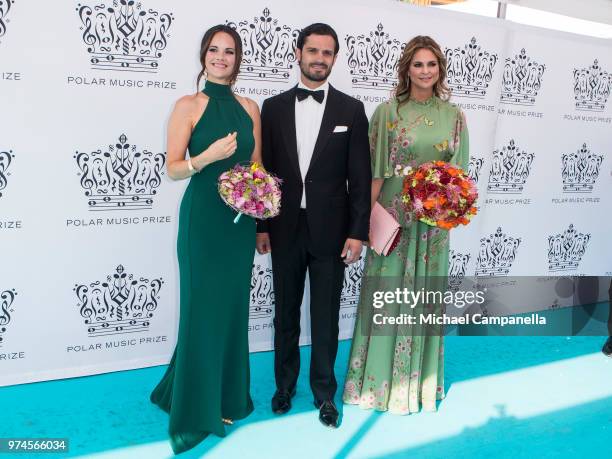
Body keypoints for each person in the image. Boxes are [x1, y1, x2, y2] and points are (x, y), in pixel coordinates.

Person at [342, 35, 469, 414]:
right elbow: (375, 172)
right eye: (418, 64)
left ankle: (419, 385)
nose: (425, 71)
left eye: (432, 64)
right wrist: (364, 220)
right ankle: (377, 386)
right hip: (394, 217)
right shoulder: (387, 112)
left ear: (440, 69)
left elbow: (459, 173)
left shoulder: (455, 116)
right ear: (407, 69)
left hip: (432, 224)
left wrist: (445, 208)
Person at [150, 25, 261, 454]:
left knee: (232, 309)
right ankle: (195, 410)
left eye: (229, 51)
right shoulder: (187, 105)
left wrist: (260, 204)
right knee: (199, 309)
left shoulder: (250, 107)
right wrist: (206, 157)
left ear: (238, 59)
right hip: (202, 222)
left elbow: (256, 166)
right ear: (203, 56)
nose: (221, 57)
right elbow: (173, 168)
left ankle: (229, 397)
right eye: (214, 50)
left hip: (239, 224)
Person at [255, 23, 371, 428]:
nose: (320, 58)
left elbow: (360, 178)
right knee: (285, 313)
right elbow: (263, 174)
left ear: (335, 58)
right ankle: (283, 386)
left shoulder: (351, 110)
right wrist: (261, 226)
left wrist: (357, 232)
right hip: (284, 227)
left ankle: (325, 393)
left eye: (328, 53)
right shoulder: (272, 107)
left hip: (332, 232)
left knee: (325, 316)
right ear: (298, 52)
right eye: (313, 51)